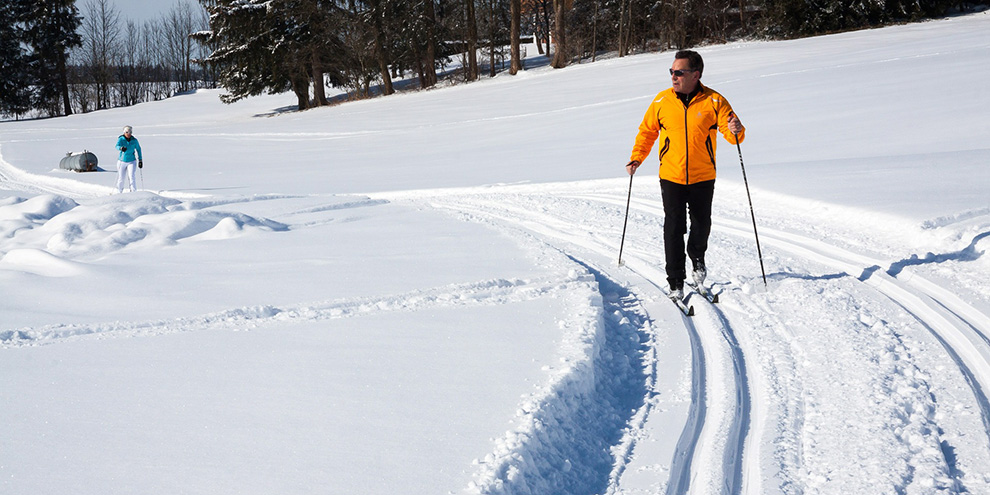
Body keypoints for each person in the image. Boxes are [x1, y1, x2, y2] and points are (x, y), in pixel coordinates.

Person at [626, 50, 745, 300]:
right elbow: (647, 132)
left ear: (695, 74)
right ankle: (675, 280)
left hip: (703, 176)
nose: (673, 76)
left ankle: (697, 260)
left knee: (702, 225)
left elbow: (732, 132)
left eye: (679, 72)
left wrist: (736, 128)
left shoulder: (714, 101)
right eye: (671, 71)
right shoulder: (661, 102)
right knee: (673, 227)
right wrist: (637, 157)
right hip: (671, 176)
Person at [115, 125, 143, 193]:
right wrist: (121, 148)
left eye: (130, 132)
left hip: (131, 161)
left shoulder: (134, 140)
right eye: (127, 132)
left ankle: (133, 191)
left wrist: (140, 160)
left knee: (132, 177)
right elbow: (117, 146)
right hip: (122, 161)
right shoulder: (121, 139)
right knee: (121, 178)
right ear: (124, 132)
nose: (129, 134)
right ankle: (119, 191)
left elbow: (138, 149)